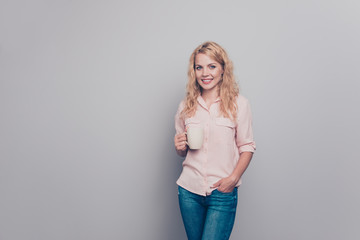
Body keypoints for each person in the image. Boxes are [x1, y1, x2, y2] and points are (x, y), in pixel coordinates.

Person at [174, 41, 256, 240]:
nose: (205, 73)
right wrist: (179, 146)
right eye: (199, 67)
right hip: (189, 191)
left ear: (222, 70)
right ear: (193, 71)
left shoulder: (239, 104)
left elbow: (247, 146)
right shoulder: (186, 106)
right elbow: (183, 150)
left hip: (221, 192)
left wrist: (233, 179)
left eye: (212, 66)